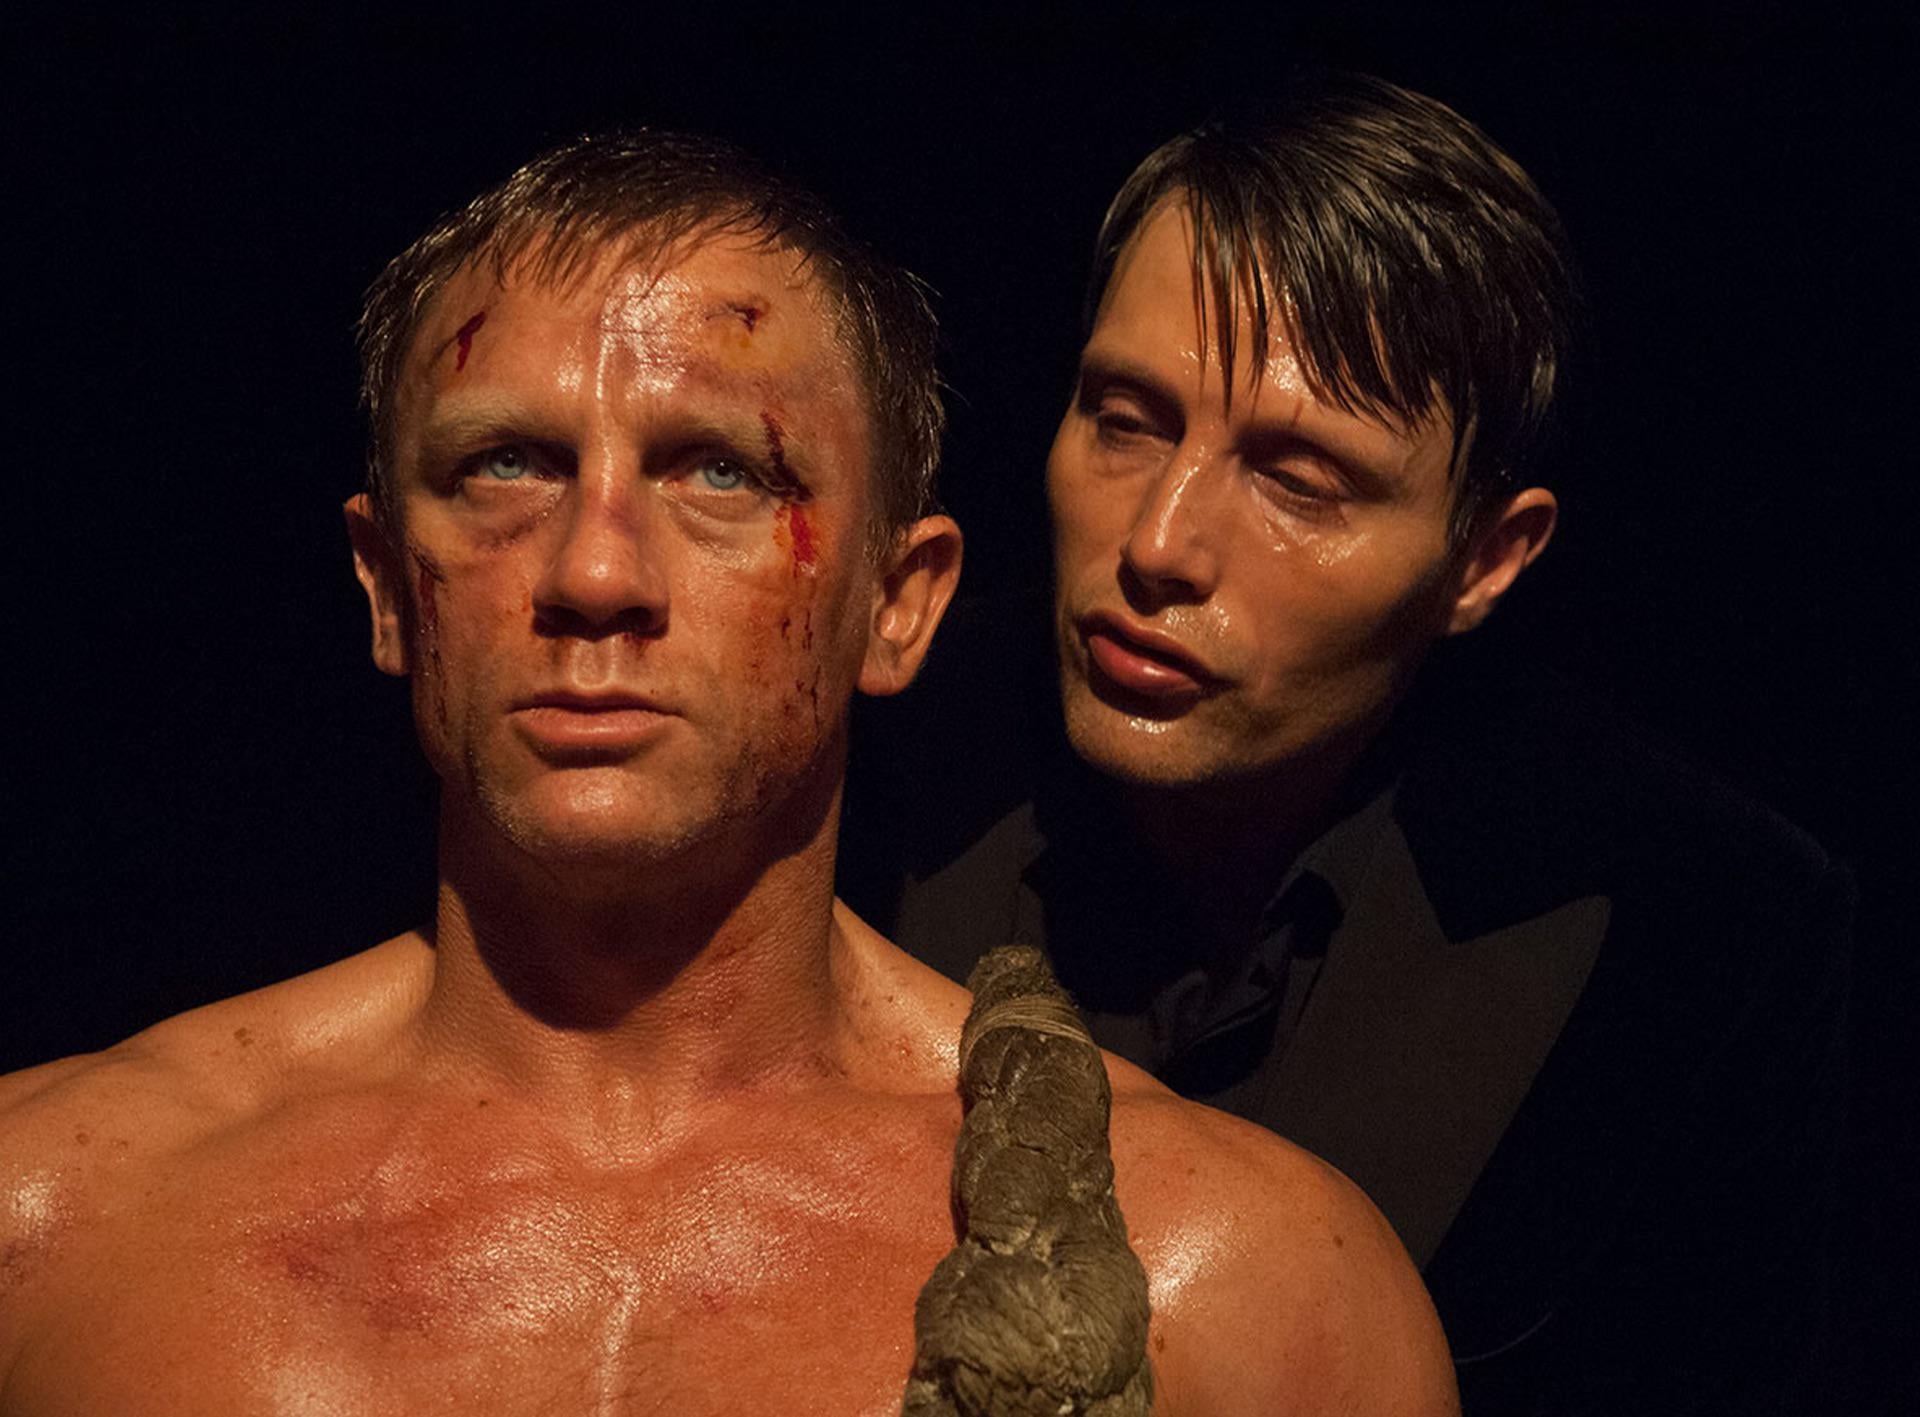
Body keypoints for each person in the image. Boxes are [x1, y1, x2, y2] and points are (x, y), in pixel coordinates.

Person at [0, 130, 1456, 1415]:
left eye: (721, 472)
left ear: (899, 603)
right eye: (506, 465)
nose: (593, 572)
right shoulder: (51, 1217)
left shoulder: (1239, 1285)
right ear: (387, 586)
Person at [842, 73, 1852, 1413]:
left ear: (1486, 560)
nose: (1158, 544)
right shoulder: (861, 752)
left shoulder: (1700, 933)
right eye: (1125, 421)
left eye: (1297, 481)